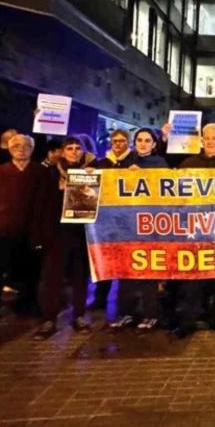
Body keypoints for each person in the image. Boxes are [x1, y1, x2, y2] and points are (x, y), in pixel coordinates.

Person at [173, 123, 215, 338]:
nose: (211, 141)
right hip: (195, 230)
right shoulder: (188, 164)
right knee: (193, 279)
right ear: (202, 140)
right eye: (208, 137)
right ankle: (188, 321)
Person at [0, 135, 49, 323]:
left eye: (26, 146)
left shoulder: (41, 173)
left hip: (30, 232)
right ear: (9, 149)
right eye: (16, 145)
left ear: (32, 149)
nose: (21, 149)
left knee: (30, 274)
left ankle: (26, 306)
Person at [33, 137, 98, 340]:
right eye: (69, 148)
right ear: (62, 151)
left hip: (82, 234)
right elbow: (40, 205)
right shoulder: (51, 173)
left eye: (78, 148)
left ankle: (79, 316)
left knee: (80, 278)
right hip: (57, 233)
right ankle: (49, 319)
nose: (74, 151)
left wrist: (92, 182)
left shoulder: (91, 171)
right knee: (52, 278)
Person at [109, 128, 168, 333]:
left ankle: (150, 314)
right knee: (125, 272)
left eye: (147, 140)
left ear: (154, 144)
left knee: (148, 272)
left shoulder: (160, 163)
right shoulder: (124, 161)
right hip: (126, 226)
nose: (143, 143)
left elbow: (164, 190)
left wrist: (142, 176)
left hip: (150, 225)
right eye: (139, 140)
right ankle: (125, 313)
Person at [92, 129, 135, 311]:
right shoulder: (102, 163)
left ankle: (126, 301)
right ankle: (100, 298)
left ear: (128, 142)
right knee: (106, 259)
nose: (118, 144)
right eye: (115, 141)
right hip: (106, 219)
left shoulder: (134, 162)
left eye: (122, 141)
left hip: (128, 219)